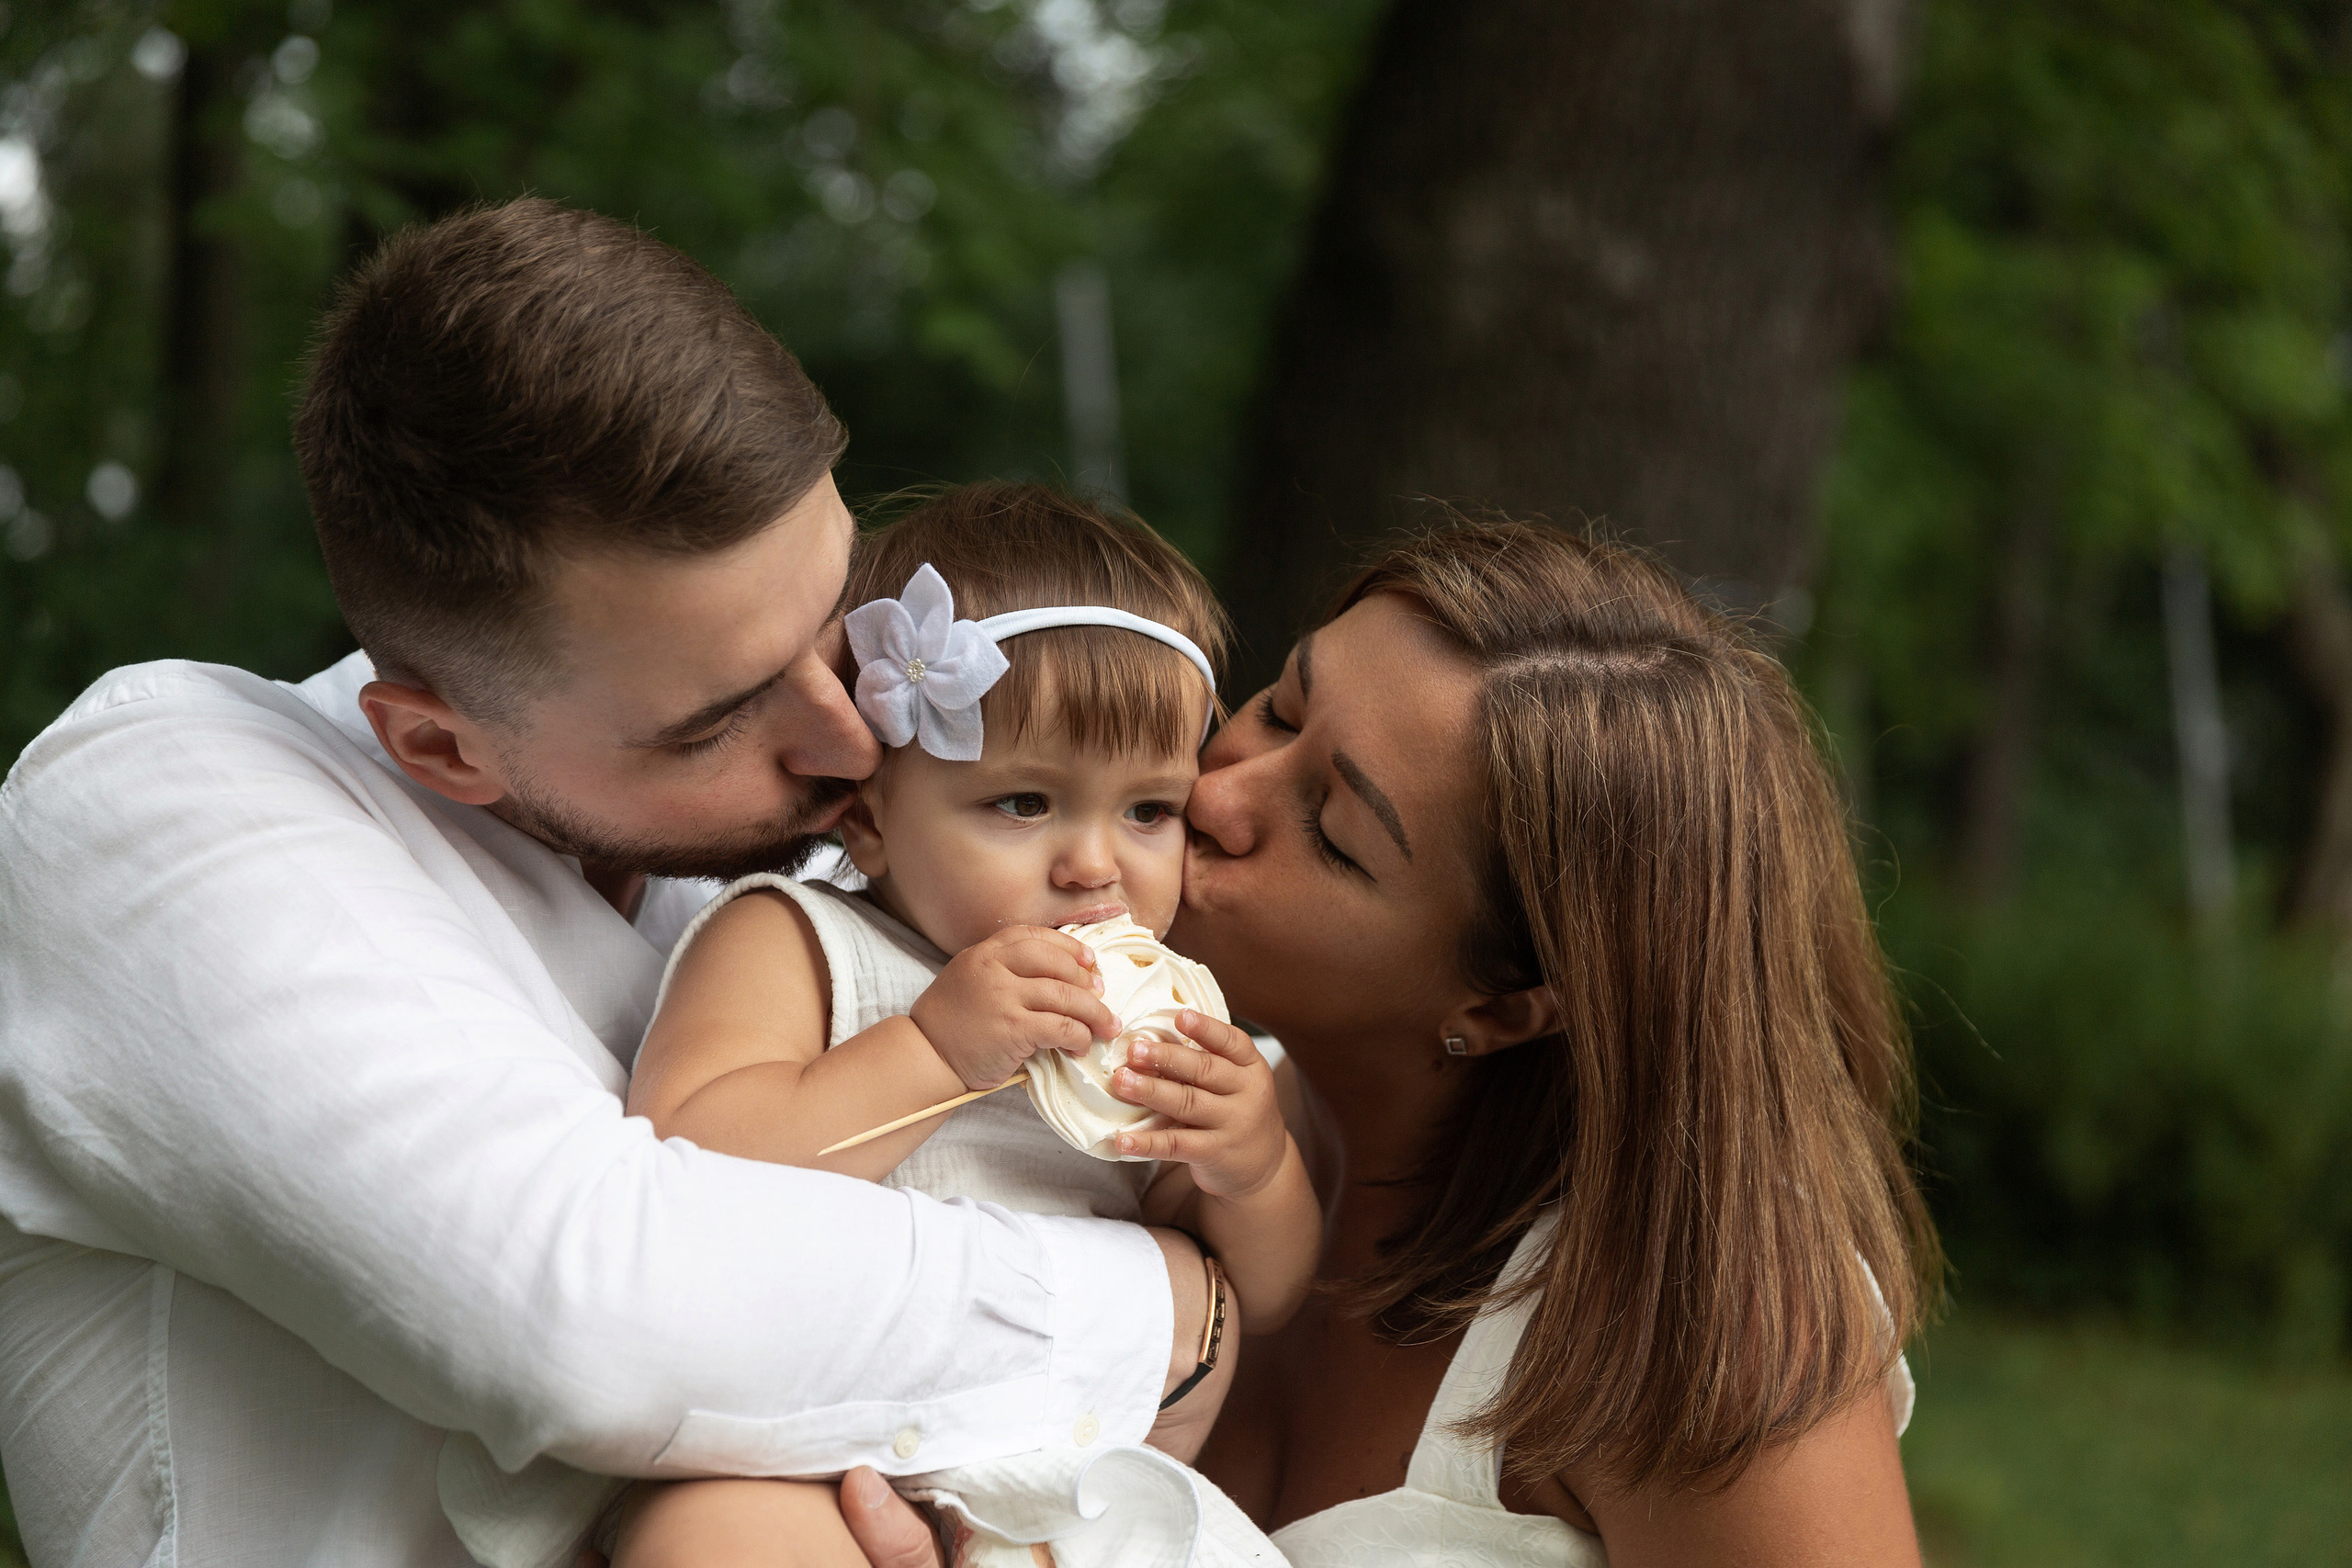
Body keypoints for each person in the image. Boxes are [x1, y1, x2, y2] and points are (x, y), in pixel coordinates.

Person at [0, 200, 1216, 1567]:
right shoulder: (159, 797)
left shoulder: (818, 858)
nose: (849, 735)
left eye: (843, 631)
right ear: (441, 745)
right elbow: (586, 1316)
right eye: (720, 717)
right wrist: (1174, 1311)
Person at [842, 518, 1939, 1567]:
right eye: (1276, 708)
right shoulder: (1104, 1140)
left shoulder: (1708, 1324)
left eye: (1333, 833)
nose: (1209, 794)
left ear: (1502, 1004)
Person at [444, 484, 1317, 1568]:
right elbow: (692, 1162)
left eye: (1148, 811)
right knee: (717, 1541)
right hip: (801, 1452)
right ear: (869, 820)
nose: (1095, 865)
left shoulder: (1158, 1020)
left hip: (1069, 1488)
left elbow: (1267, 1296)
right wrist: (933, 1050)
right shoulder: (797, 939)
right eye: (1024, 803)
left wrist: (1251, 1162)